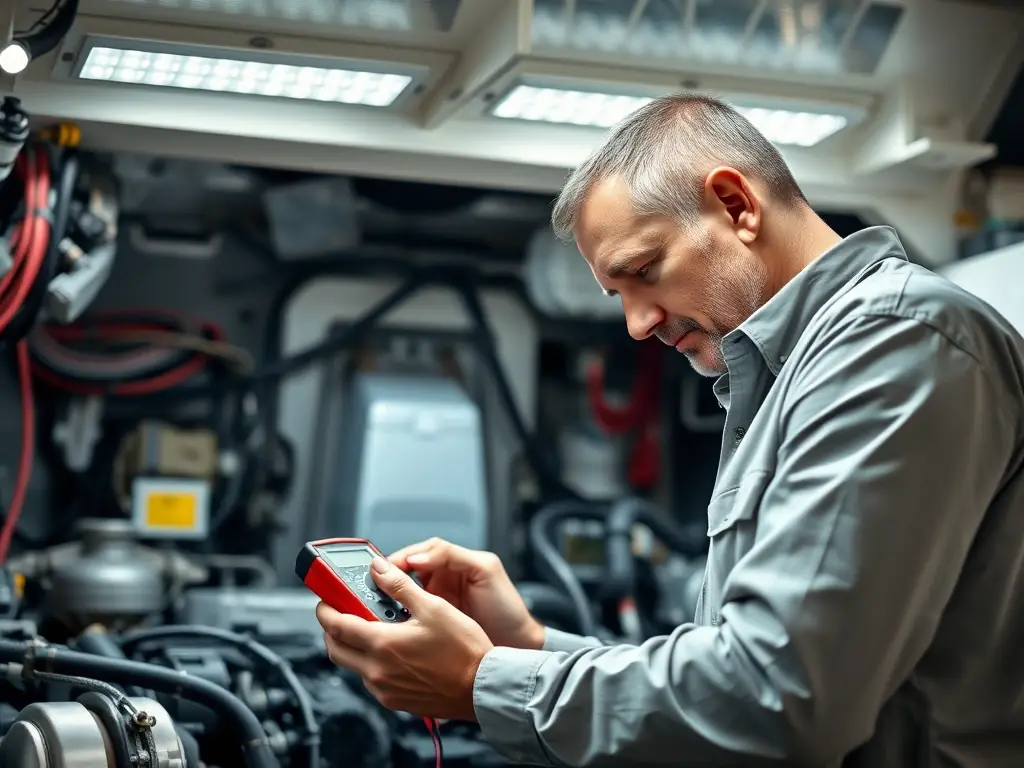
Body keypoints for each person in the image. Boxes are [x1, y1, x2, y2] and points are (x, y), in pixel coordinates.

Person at [316, 95, 1024, 766]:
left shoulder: (893, 342)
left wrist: (483, 680)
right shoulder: (791, 375)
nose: (637, 324)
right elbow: (733, 668)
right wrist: (526, 643)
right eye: (619, 297)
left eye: (645, 273)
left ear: (736, 205)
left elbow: (779, 700)